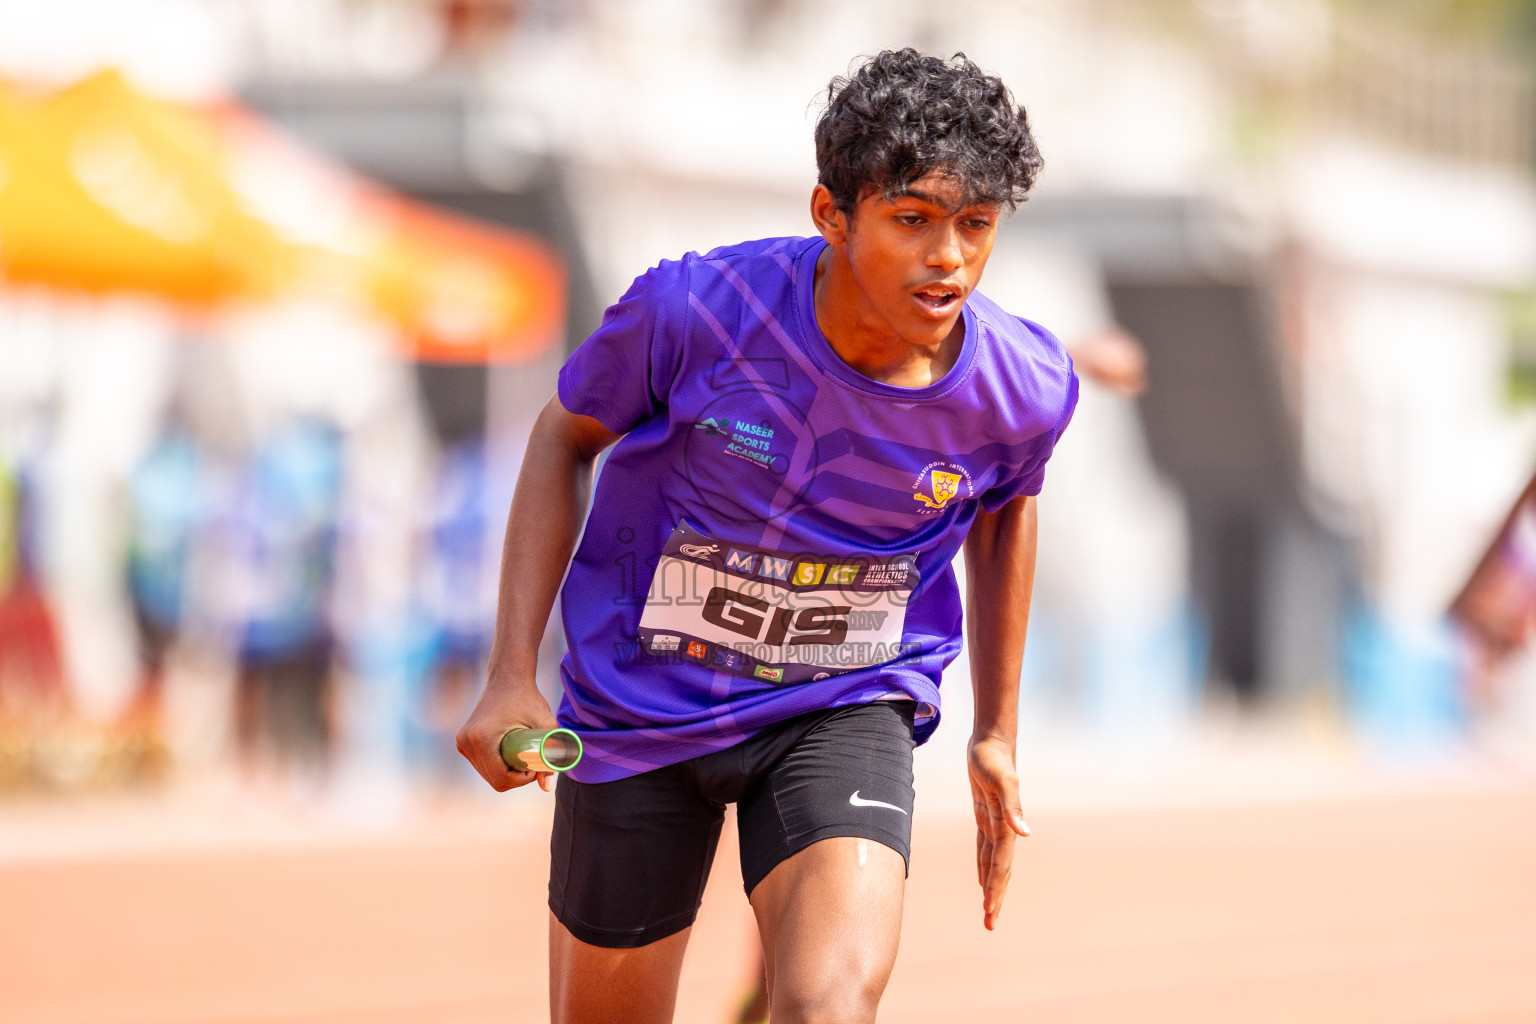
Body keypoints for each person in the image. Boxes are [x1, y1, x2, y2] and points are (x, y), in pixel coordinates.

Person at [457, 49, 1077, 1024]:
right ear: (832, 215)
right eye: (912, 219)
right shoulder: (696, 313)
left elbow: (1010, 502)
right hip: (645, 697)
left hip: (844, 698)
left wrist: (996, 729)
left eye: (976, 224)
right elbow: (562, 434)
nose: (949, 256)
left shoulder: (1021, 387)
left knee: (828, 1005)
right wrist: (508, 672)